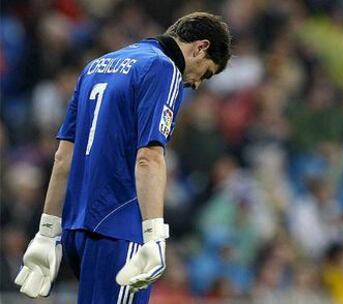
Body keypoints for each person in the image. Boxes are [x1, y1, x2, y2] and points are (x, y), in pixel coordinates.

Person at [14, 12, 231, 304]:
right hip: (120, 228)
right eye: (205, 73)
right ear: (200, 47)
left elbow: (63, 156)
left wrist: (46, 230)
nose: (197, 83)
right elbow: (149, 158)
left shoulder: (96, 66)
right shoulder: (164, 68)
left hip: (78, 229)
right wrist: (154, 236)